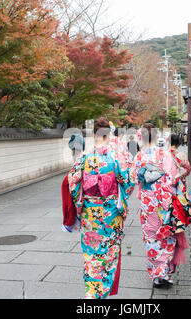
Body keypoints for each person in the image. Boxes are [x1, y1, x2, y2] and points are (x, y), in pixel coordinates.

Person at [67, 118, 135, 299]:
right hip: (112, 214)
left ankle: (92, 294)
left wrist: (80, 206)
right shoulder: (118, 158)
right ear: (109, 134)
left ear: (94, 133)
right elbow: (129, 183)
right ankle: (102, 293)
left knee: (91, 256)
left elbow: (73, 185)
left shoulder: (83, 157)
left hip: (90, 214)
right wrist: (119, 199)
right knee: (110, 255)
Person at [132, 123, 184, 289]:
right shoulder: (165, 154)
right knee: (167, 234)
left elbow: (134, 179)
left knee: (151, 236)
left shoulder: (139, 157)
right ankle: (165, 273)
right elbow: (173, 178)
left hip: (148, 202)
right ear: (156, 137)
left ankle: (157, 275)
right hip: (165, 200)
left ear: (141, 137)